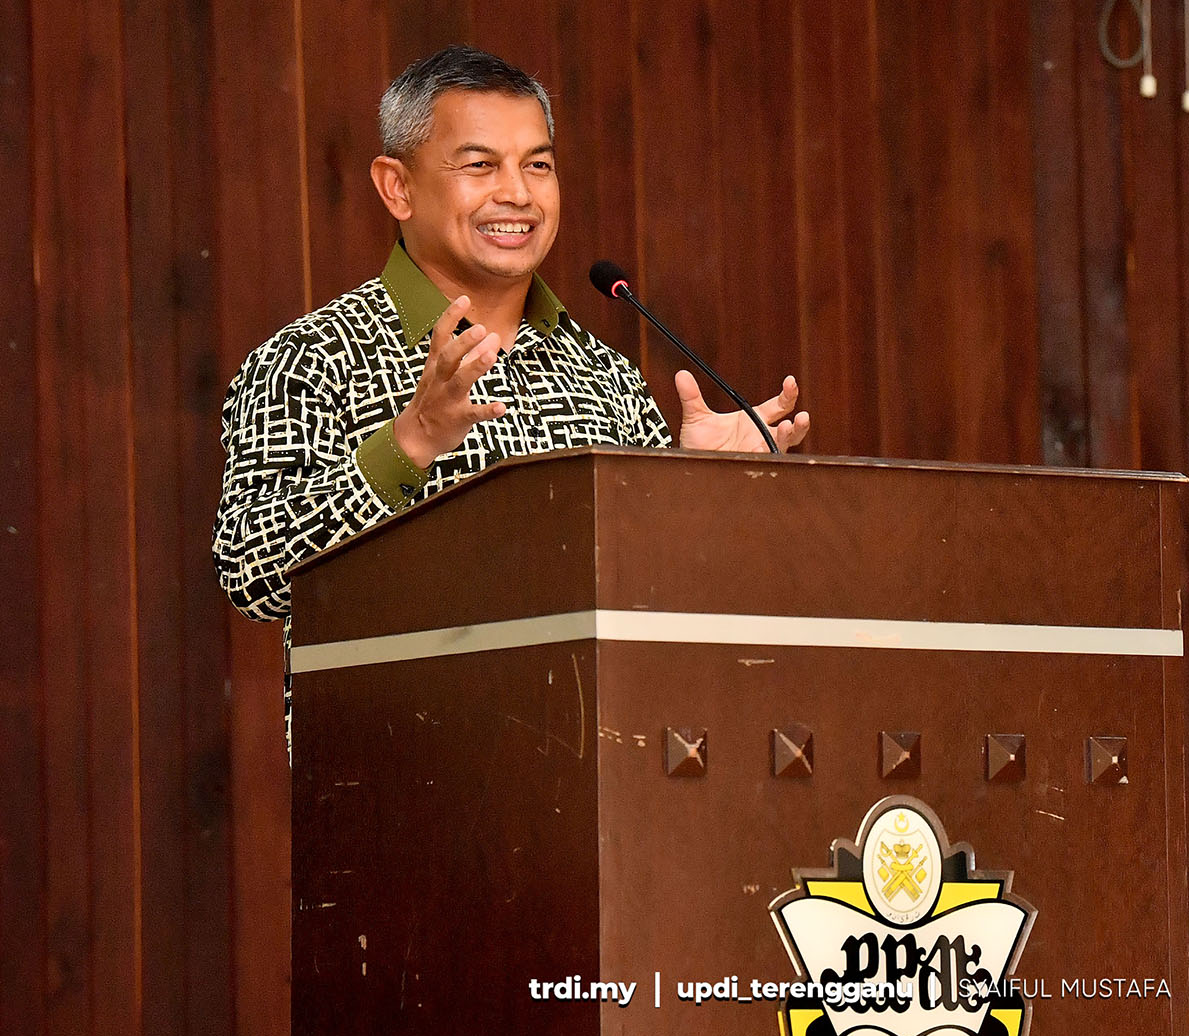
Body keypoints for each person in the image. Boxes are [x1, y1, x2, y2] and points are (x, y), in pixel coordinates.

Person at [212, 45, 808, 729]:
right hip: (397, 771)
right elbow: (251, 574)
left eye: (538, 165)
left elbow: (658, 600)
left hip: (600, 765)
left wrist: (694, 494)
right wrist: (410, 442)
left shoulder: (605, 375)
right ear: (397, 187)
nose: (518, 194)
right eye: (480, 165)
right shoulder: (309, 358)